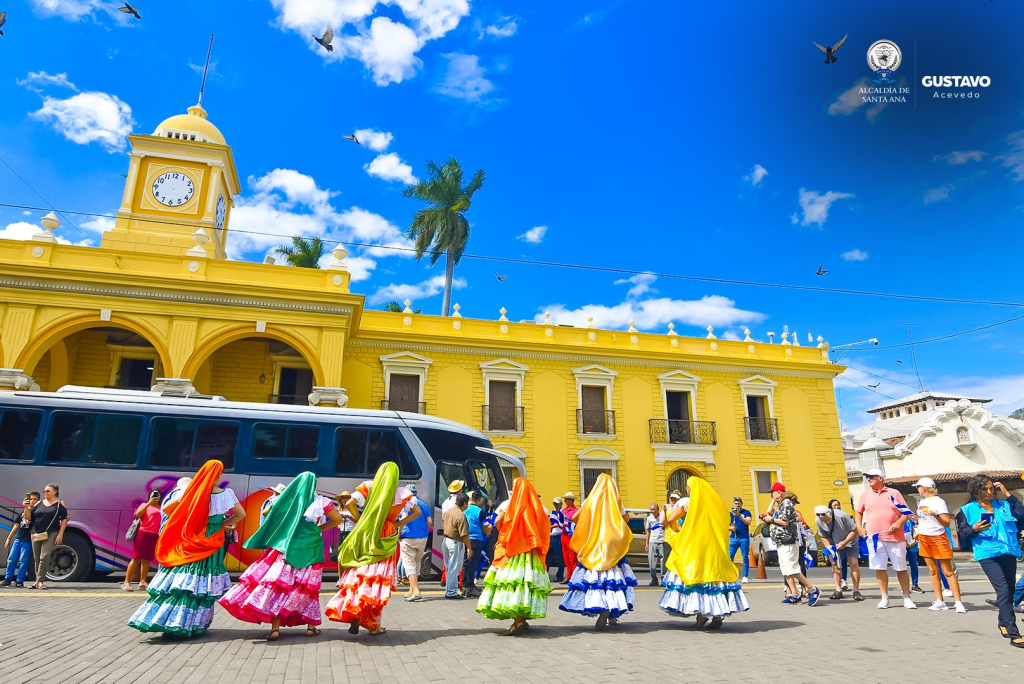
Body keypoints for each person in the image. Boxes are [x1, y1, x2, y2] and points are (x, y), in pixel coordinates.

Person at [128, 460, 246, 636]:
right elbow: (240, 514)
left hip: (191, 537)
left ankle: (165, 620)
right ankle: (193, 623)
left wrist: (186, 521)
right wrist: (221, 525)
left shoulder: (190, 491)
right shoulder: (226, 494)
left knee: (182, 580)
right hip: (212, 538)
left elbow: (167, 509)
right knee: (202, 584)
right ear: (219, 475)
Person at [219, 472, 342, 640]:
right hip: (311, 548)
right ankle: (310, 627)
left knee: (281, 587)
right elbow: (336, 520)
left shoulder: (287, 499)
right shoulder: (322, 502)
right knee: (308, 588)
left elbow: (266, 514)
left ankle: (275, 629)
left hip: (286, 548)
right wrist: (318, 529)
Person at [325, 462, 419, 636]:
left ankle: (354, 608)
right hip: (387, 532)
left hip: (369, 530)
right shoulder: (401, 492)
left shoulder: (369, 486)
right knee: (380, 575)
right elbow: (416, 513)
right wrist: (396, 523)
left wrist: (362, 518)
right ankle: (373, 624)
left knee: (363, 566)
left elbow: (350, 503)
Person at [660, 477, 749, 628]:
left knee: (695, 577)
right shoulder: (715, 504)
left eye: (688, 487)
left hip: (694, 545)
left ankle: (700, 616)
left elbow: (670, 521)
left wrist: (677, 531)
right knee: (714, 578)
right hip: (714, 546)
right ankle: (717, 616)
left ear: (690, 488)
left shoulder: (687, 502)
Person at [476, 477, 552, 635]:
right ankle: (522, 617)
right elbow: (546, 524)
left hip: (512, 548)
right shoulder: (539, 506)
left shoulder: (508, 503)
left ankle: (518, 621)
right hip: (530, 551)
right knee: (527, 582)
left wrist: (506, 530)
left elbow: (497, 520)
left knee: (512, 581)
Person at [559, 473, 637, 629]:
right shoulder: (615, 501)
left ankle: (600, 606)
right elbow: (626, 519)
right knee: (614, 578)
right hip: (612, 545)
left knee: (597, 578)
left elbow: (574, 518)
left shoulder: (591, 500)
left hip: (595, 544)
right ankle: (613, 613)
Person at [955, 476, 1024, 646]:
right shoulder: (967, 510)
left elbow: (1021, 516)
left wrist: (1007, 493)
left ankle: (1002, 622)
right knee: (1002, 590)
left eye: (991, 488)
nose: (989, 492)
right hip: (988, 554)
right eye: (984, 489)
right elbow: (962, 534)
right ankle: (1013, 632)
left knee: (1009, 590)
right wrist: (974, 529)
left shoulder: (1004, 505)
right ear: (975, 490)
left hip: (1008, 551)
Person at [854, 468, 915, 610]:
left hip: (895, 537)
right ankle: (884, 597)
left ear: (880, 478)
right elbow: (858, 512)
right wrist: (859, 527)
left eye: (872, 477)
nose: (869, 479)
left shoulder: (894, 493)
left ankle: (906, 597)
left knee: (901, 568)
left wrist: (899, 523)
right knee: (880, 568)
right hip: (875, 538)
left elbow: (906, 513)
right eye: (867, 477)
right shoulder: (865, 495)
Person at [911, 477, 965, 612]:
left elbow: (946, 522)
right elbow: (924, 519)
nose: (917, 489)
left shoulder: (938, 501)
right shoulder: (922, 501)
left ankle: (958, 602)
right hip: (924, 537)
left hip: (938, 537)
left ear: (924, 487)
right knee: (932, 570)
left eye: (918, 487)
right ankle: (939, 600)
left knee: (947, 571)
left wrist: (935, 515)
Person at [762, 483, 819, 606]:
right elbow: (770, 512)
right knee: (786, 569)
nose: (772, 495)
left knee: (792, 568)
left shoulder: (786, 503)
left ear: (780, 492)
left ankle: (812, 589)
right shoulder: (780, 505)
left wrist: (770, 520)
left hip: (788, 540)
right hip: (781, 541)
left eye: (773, 492)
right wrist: (773, 502)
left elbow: (785, 522)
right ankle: (794, 594)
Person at [815, 504, 862, 601]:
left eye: (825, 518)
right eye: (819, 517)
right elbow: (823, 536)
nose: (822, 519)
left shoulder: (841, 516)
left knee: (853, 562)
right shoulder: (818, 520)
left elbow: (854, 530)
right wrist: (829, 548)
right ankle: (838, 590)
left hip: (850, 540)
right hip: (834, 543)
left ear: (829, 514)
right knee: (834, 564)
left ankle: (856, 590)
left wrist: (845, 542)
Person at [27, 483, 69, 591]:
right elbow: (28, 517)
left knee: (44, 556)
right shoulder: (39, 503)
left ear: (55, 491)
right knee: (37, 558)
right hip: (36, 533)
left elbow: (64, 518)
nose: (45, 493)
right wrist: (26, 507)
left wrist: (60, 534)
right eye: (44, 491)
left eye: (48, 491)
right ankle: (37, 581)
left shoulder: (59, 504)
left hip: (51, 533)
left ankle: (40, 581)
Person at [123, 489, 162, 592]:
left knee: (147, 559)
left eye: (157, 495)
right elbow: (138, 515)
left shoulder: (161, 507)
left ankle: (143, 581)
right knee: (136, 558)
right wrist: (149, 502)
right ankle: (126, 582)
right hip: (143, 534)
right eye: (153, 494)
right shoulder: (145, 505)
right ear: (149, 496)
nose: (155, 496)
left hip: (154, 535)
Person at [398, 486, 432, 602]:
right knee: (416, 563)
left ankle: (416, 590)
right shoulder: (423, 504)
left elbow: (404, 518)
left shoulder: (407, 504)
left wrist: (398, 533)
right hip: (422, 538)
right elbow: (429, 522)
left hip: (408, 538)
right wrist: (423, 531)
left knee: (409, 565)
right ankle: (411, 590)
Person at [2, 491, 40, 588]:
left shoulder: (36, 512)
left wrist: (26, 507)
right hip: (18, 539)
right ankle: (7, 579)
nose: (32, 501)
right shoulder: (21, 513)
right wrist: (8, 538)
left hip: (28, 540)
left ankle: (19, 581)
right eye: (30, 499)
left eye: (34, 499)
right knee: (11, 559)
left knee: (23, 560)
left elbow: (29, 516)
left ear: (38, 501)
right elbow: (16, 526)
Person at [442, 493, 472, 599]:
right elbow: (464, 534)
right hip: (455, 542)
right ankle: (451, 592)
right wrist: (469, 548)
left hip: (445, 541)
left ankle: (449, 590)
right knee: (454, 568)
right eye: (467, 503)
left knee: (449, 567)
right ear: (464, 503)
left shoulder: (448, 512)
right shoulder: (461, 515)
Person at [465, 491, 488, 595]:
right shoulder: (480, 512)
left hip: (464, 538)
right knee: (473, 563)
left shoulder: (464, 509)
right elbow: (485, 528)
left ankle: (465, 584)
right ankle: (470, 586)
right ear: (480, 500)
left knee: (465, 562)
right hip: (475, 539)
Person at [727, 496, 752, 584]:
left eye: (739, 503)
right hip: (733, 537)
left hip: (743, 538)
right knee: (730, 556)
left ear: (741, 504)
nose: (737, 505)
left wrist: (740, 516)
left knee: (745, 557)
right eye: (735, 503)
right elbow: (725, 524)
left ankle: (745, 576)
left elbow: (748, 522)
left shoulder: (746, 512)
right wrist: (730, 528)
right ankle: (731, 575)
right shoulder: (730, 513)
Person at [828, 498, 851, 590]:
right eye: (834, 505)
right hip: (832, 542)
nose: (837, 507)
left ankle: (843, 580)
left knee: (844, 560)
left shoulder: (843, 515)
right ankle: (838, 581)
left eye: (838, 505)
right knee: (835, 562)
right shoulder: (827, 517)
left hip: (842, 541)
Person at [644, 503, 666, 586]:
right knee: (652, 561)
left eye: (654, 509)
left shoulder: (663, 516)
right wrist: (646, 544)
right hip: (652, 541)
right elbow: (648, 531)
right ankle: (654, 579)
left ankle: (663, 578)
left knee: (663, 561)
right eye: (651, 509)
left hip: (662, 541)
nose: (652, 511)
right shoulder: (649, 518)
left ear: (657, 509)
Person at [560, 492, 579, 583]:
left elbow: (576, 524)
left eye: (567, 499)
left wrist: (567, 523)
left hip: (571, 535)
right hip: (563, 534)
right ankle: (568, 576)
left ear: (571, 500)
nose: (565, 501)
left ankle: (573, 576)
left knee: (572, 556)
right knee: (566, 556)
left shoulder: (575, 511)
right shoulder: (563, 511)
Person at [548, 496, 566, 583]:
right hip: (552, 536)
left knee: (559, 557)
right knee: (548, 557)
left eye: (557, 503)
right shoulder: (554, 513)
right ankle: (546, 575)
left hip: (559, 536)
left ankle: (560, 576)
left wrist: (550, 526)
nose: (555, 505)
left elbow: (559, 523)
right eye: (554, 504)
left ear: (561, 504)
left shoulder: (562, 512)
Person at [663, 490, 682, 564]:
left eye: (675, 500)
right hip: (668, 538)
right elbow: (664, 524)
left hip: (678, 538)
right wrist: (664, 512)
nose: (673, 501)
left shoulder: (681, 510)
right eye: (671, 499)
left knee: (677, 559)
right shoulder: (667, 510)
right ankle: (664, 575)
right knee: (666, 559)